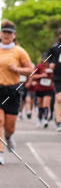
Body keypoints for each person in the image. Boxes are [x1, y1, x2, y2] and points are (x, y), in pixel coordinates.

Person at [0, 20, 34, 163]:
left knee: (10, 126)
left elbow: (31, 70)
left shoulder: (19, 51)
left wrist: (18, 69)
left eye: (9, 33)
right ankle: (1, 152)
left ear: (14, 35)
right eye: (4, 32)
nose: (6, 35)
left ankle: (8, 137)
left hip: (13, 90)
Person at [31, 55, 54, 127]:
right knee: (40, 105)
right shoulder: (38, 66)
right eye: (44, 59)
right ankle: (39, 119)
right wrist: (41, 75)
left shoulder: (52, 66)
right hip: (39, 88)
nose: (45, 61)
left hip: (49, 88)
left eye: (47, 60)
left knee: (46, 105)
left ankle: (45, 120)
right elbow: (32, 76)